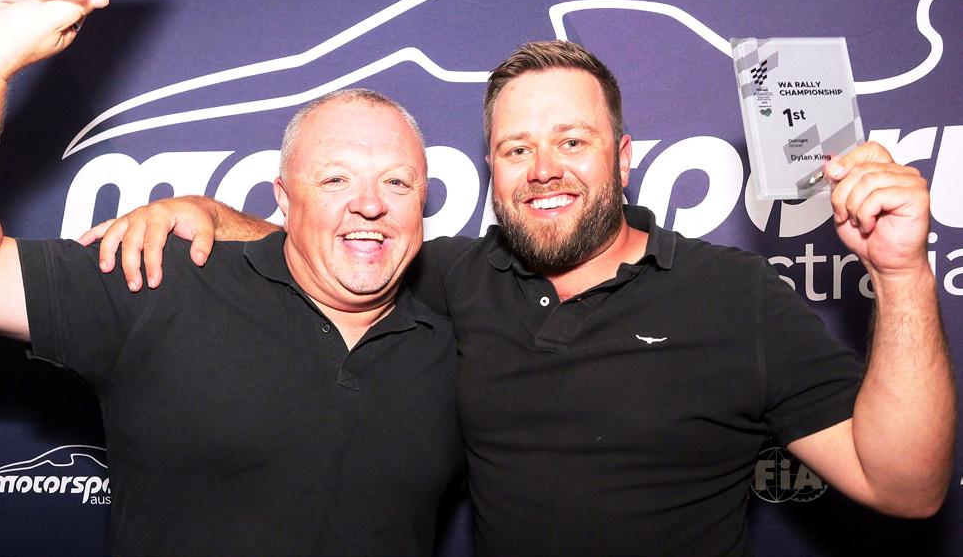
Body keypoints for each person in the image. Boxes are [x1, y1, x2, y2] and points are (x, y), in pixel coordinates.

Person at [94, 40, 955, 556]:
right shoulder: (453, 278)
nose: (544, 169)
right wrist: (205, 213)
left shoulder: (733, 295)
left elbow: (906, 486)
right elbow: (339, 242)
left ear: (622, 158)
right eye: (516, 149)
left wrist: (902, 275)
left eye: (572, 141)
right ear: (491, 170)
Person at [0, 0, 463, 556]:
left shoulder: (459, 341)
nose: (370, 204)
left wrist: (215, 212)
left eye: (397, 182)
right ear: (284, 199)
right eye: (335, 179)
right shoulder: (166, 281)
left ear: (423, 200)